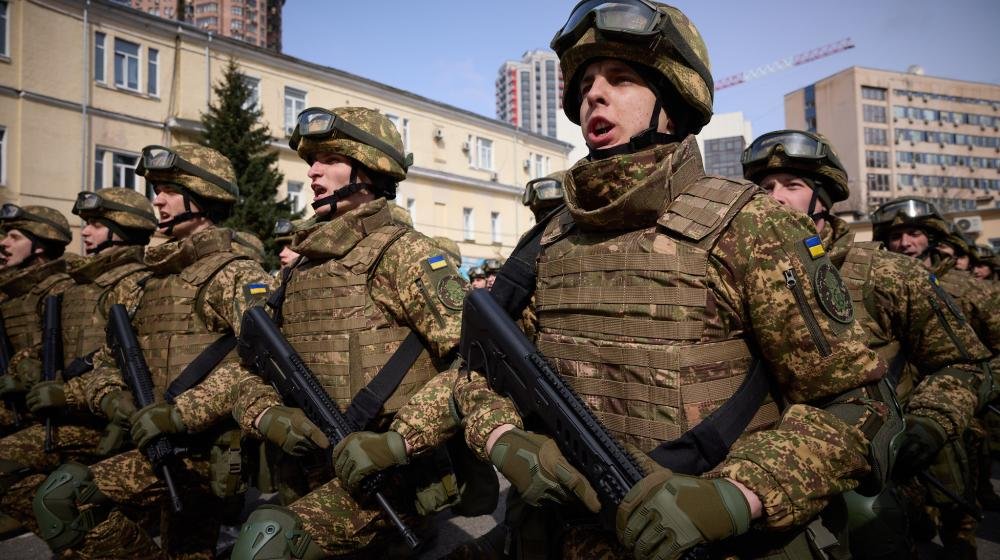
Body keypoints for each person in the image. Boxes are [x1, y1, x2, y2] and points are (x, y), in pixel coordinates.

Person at [428, 3, 897, 559]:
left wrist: (737, 495)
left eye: (621, 78)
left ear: (674, 101)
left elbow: (858, 404)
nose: (594, 96)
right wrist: (504, 439)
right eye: (585, 84)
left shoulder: (753, 226)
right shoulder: (549, 241)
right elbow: (478, 370)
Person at [228, 106, 479, 559]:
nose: (313, 171)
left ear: (369, 168)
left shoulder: (405, 254)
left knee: (263, 546)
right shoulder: (299, 269)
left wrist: (399, 441)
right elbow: (246, 367)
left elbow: (475, 364)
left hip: (388, 477)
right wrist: (265, 413)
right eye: (312, 162)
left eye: (329, 159)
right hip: (307, 473)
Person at [743, 130, 993, 559]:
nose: (775, 197)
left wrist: (929, 422)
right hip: (771, 474)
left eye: (792, 185)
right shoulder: (740, 272)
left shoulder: (887, 274)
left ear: (823, 199)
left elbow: (966, 363)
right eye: (766, 187)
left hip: (875, 472)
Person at [32, 144, 275, 559]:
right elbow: (107, 360)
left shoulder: (236, 274)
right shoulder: (145, 283)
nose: (157, 200)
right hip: (150, 440)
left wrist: (180, 414)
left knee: (65, 499)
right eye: (156, 190)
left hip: (207, 449)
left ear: (202, 195)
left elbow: (260, 363)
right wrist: (113, 397)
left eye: (169, 190)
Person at [0, 188, 157, 537]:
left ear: (123, 228)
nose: (83, 232)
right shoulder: (78, 287)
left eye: (95, 225)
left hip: (108, 419)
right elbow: (48, 344)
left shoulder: (136, 283)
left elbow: (133, 361)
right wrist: (27, 366)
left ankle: (90, 535)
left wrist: (66, 393)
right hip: (74, 412)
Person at [0, 205, 75, 434]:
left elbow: (69, 352)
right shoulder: (11, 293)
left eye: (14, 237)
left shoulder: (60, 289)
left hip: (48, 412)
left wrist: (24, 372)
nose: (4, 243)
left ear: (39, 246)